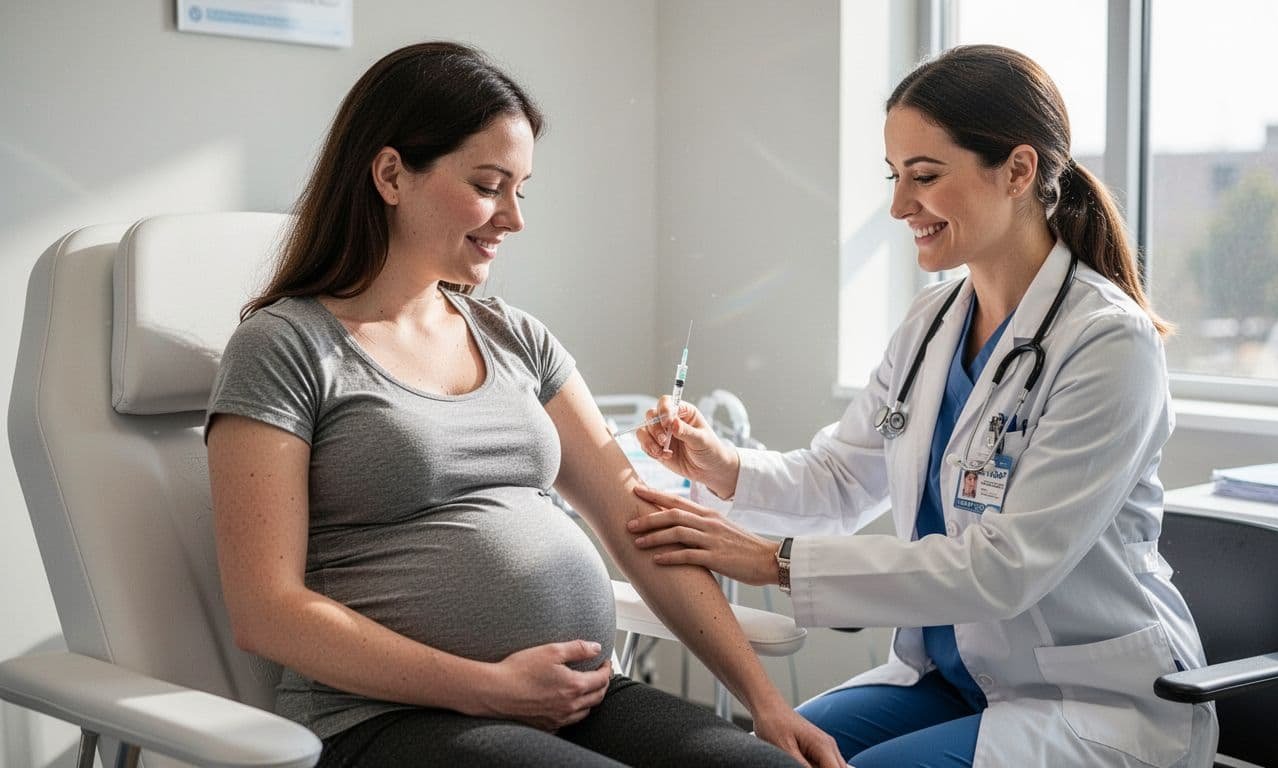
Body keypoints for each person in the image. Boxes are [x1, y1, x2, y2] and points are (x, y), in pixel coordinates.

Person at [205, 41, 843, 768]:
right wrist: (484, 688)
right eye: (487, 185)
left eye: (521, 189)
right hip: (388, 722)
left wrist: (766, 704)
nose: (512, 218)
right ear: (390, 175)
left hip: (578, 701)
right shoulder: (285, 347)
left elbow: (639, 525)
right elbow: (266, 611)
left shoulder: (515, 337)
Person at [627, 45, 1218, 768]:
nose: (900, 206)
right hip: (949, 679)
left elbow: (1003, 570)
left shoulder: (1106, 343)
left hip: (1082, 699)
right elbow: (841, 480)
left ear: (1019, 171)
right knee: (765, 757)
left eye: (925, 176)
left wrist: (773, 562)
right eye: (896, 177)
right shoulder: (932, 325)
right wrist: (719, 466)